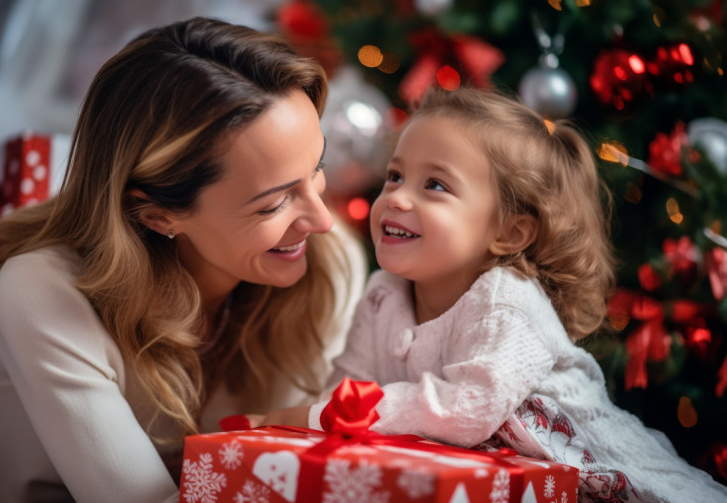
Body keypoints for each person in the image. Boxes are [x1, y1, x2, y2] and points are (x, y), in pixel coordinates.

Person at [0, 17, 367, 503]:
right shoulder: (42, 288)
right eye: (273, 203)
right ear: (155, 213)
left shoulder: (330, 265)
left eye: (316, 168)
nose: (322, 221)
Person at [259, 87, 727, 502]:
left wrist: (323, 413)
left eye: (435, 185)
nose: (397, 199)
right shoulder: (384, 293)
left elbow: (467, 410)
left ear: (509, 232)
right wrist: (302, 423)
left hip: (608, 480)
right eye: (395, 176)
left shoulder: (507, 300)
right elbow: (349, 386)